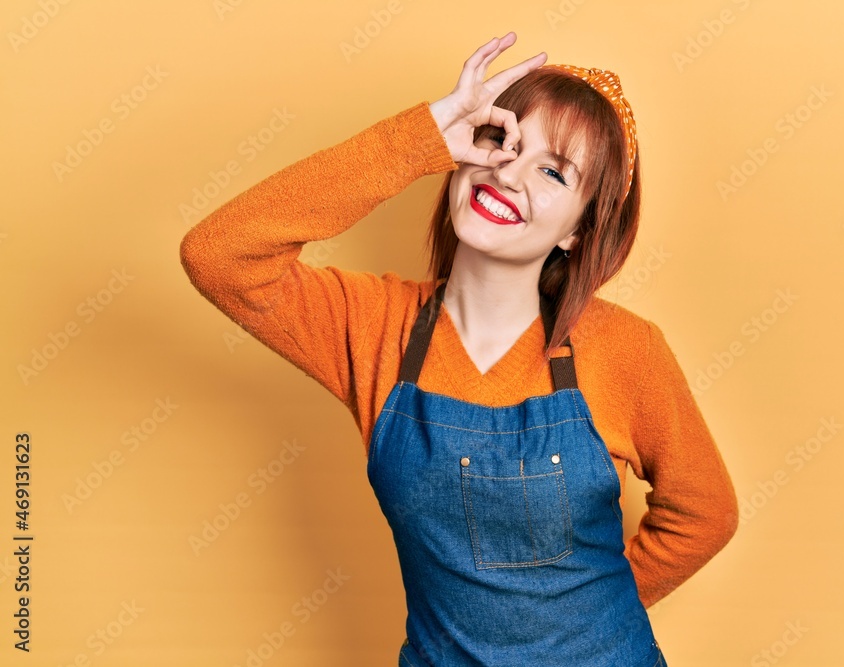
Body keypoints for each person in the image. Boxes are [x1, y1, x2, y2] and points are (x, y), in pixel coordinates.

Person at [180, 31, 737, 667]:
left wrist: (587, 620)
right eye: (503, 140)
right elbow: (220, 255)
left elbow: (705, 515)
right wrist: (418, 139)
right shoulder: (372, 326)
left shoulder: (625, 348)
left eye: (553, 171)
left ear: (580, 231)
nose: (508, 170)